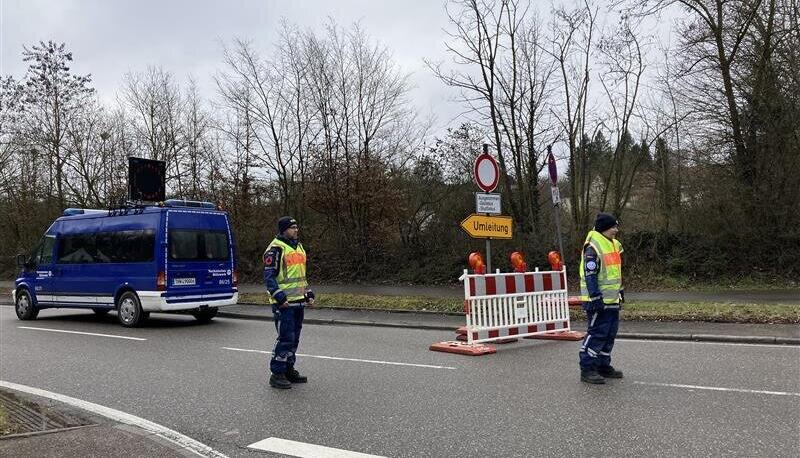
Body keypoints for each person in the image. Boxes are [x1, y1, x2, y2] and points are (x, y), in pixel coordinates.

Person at [263, 216, 316, 389]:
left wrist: (308, 293)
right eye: (292, 227)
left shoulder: (298, 246)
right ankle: (277, 373)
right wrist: (279, 297)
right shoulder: (276, 249)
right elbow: (269, 277)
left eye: (296, 227)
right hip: (284, 303)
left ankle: (288, 368)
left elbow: (301, 276)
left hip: (298, 301)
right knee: (285, 338)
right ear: (284, 229)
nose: (296, 230)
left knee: (294, 338)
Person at [578, 213, 625, 385]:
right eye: (613, 227)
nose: (616, 230)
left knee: (609, 334)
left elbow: (614, 273)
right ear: (605, 227)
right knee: (597, 334)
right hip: (598, 301)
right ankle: (588, 369)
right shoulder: (594, 247)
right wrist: (595, 296)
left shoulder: (612, 244)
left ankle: (603, 366)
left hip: (612, 300)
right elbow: (590, 275)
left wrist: (620, 292)